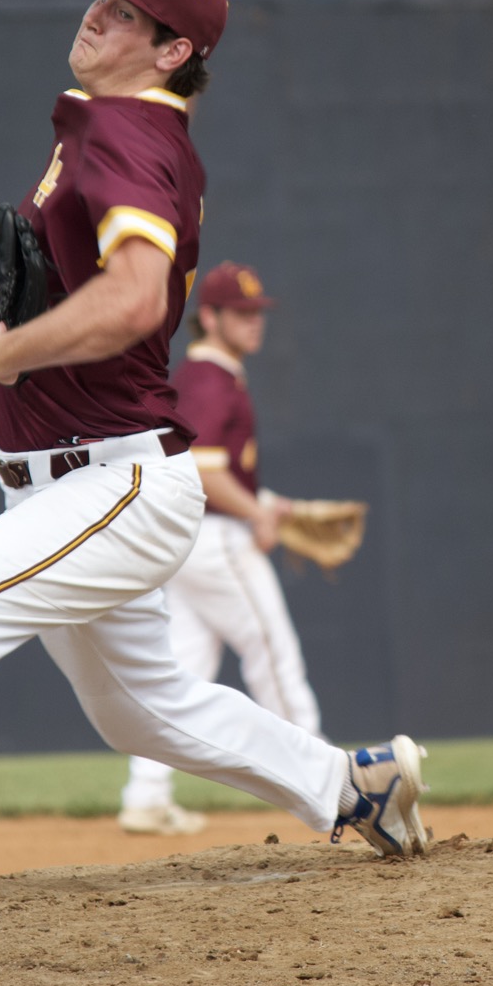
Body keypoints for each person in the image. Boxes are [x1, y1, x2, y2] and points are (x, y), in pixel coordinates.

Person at [0, 0, 432, 984]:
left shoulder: (132, 141)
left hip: (116, 480)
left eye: (126, 12)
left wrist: (6, 351)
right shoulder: (138, 108)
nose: (96, 13)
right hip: (77, 475)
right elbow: (165, 54)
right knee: (143, 709)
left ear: (168, 52)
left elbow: (135, 299)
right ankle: (352, 786)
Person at [117, 260, 327, 836]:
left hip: (187, 542)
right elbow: (206, 472)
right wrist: (258, 511)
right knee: (274, 654)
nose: (254, 323)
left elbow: (209, 468)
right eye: (241, 313)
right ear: (208, 317)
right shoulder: (210, 379)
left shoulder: (203, 375)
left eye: (257, 313)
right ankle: (332, 787)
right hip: (216, 540)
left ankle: (146, 794)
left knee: (180, 668)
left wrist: (266, 501)